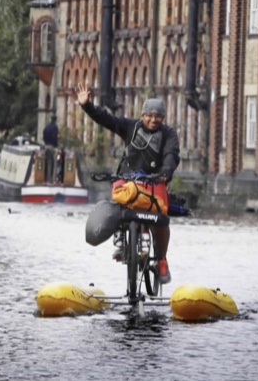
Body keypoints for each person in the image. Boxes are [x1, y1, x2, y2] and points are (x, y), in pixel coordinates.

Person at [75, 81, 180, 284]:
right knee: (120, 208)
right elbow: (106, 119)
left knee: (160, 220)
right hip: (128, 181)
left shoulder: (169, 134)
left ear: (163, 118)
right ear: (142, 116)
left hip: (154, 183)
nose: (153, 119)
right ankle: (123, 243)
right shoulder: (130, 127)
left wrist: (166, 172)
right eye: (149, 115)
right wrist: (87, 105)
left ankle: (161, 260)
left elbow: (171, 155)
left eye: (158, 116)